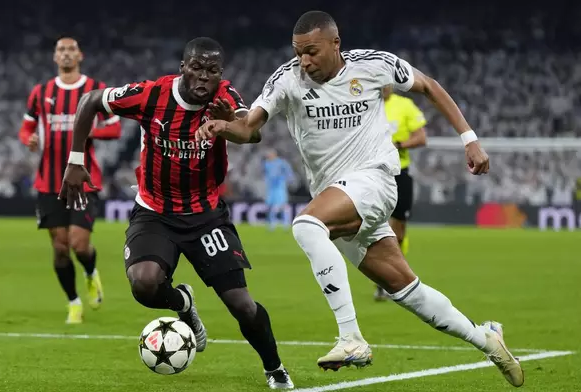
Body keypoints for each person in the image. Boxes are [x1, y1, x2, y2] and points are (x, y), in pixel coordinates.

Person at [196, 11, 524, 388]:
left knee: (305, 225)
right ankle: (487, 339)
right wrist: (224, 126)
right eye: (299, 52)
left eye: (312, 52)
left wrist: (470, 139)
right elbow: (249, 127)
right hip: (336, 195)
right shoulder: (287, 79)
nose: (305, 61)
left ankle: (351, 337)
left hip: (376, 181)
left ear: (336, 44)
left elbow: (429, 85)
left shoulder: (373, 65)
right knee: (406, 291)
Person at [58, 37, 294, 390]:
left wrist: (226, 123)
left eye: (211, 71)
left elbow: (251, 133)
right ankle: (183, 302)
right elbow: (91, 100)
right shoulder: (150, 95)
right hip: (155, 212)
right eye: (196, 68)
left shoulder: (225, 97)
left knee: (241, 305)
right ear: (183, 67)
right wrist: (75, 160)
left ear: (220, 74)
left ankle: (274, 368)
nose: (203, 78)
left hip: (206, 215)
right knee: (144, 283)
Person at [19, 37, 121, 324]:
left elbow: (114, 130)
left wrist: (91, 133)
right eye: (60, 50)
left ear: (80, 55)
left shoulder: (96, 90)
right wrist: (30, 139)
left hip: (83, 178)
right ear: (54, 57)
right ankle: (74, 302)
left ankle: (90, 273)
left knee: (79, 244)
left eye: (71, 49)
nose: (66, 54)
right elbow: (25, 129)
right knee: (60, 247)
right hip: (48, 181)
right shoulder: (41, 93)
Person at [373, 86, 427, 301]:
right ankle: (382, 280)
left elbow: (422, 137)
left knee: (399, 231)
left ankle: (393, 277)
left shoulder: (404, 105)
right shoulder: (365, 102)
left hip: (399, 172)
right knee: (375, 228)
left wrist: (399, 144)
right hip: (372, 173)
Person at [263, 149, 294, 230]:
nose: (268, 156)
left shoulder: (281, 162)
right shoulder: (266, 163)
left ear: (275, 154)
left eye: (270, 154)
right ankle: (271, 224)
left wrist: (286, 180)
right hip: (271, 188)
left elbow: (289, 172)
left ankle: (286, 224)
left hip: (280, 187)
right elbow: (266, 175)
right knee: (270, 206)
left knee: (282, 206)